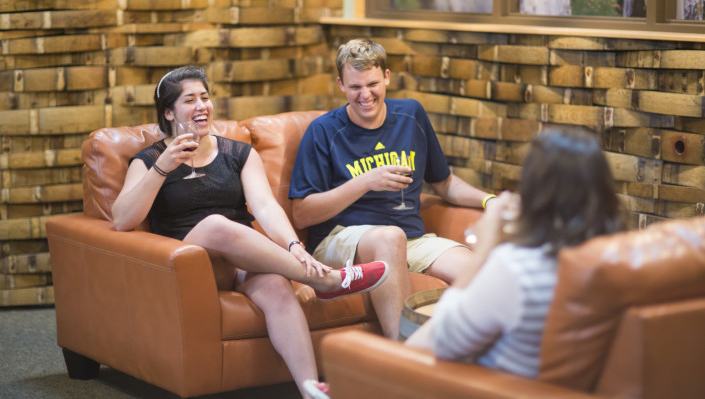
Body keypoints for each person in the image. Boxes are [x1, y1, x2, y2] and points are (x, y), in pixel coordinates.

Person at [111, 65, 389, 399]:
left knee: (276, 287)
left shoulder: (237, 153)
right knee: (216, 225)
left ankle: (311, 388)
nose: (202, 105)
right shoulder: (150, 159)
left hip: (242, 259)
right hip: (190, 264)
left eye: (205, 96)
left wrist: (293, 245)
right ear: (169, 112)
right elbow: (122, 220)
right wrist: (162, 168)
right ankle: (325, 280)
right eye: (189, 100)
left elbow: (266, 207)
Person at [288, 39, 496, 340]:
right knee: (389, 237)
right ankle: (401, 363)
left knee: (482, 273)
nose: (365, 95)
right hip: (340, 239)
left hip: (411, 238)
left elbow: (445, 183)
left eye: (372, 84)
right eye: (355, 87)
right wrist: (364, 182)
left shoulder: (411, 116)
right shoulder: (324, 131)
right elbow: (302, 214)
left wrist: (489, 199)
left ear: (387, 77)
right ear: (340, 85)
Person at [405, 127, 623, 378]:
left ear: (534, 189)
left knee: (397, 363)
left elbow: (439, 338)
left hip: (497, 387)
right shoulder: (619, 260)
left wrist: (487, 246)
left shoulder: (517, 269)